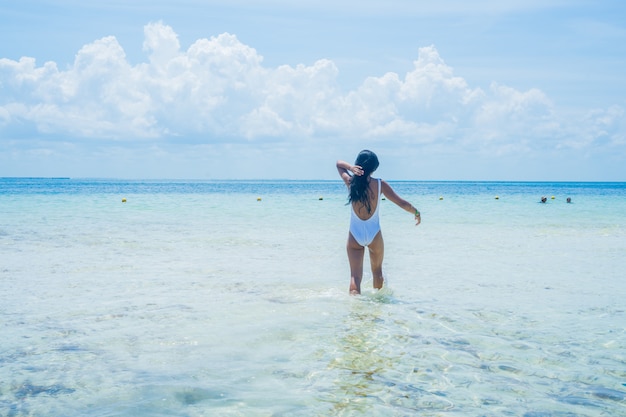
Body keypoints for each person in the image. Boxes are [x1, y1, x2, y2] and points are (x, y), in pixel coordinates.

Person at [336, 150, 421, 295]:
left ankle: (354, 309)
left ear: (358, 165)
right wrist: (416, 212)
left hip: (354, 235)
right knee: (377, 272)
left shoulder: (350, 182)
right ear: (374, 168)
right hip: (374, 234)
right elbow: (401, 203)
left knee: (355, 277)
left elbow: (338, 164)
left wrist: (351, 168)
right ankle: (379, 307)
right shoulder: (380, 184)